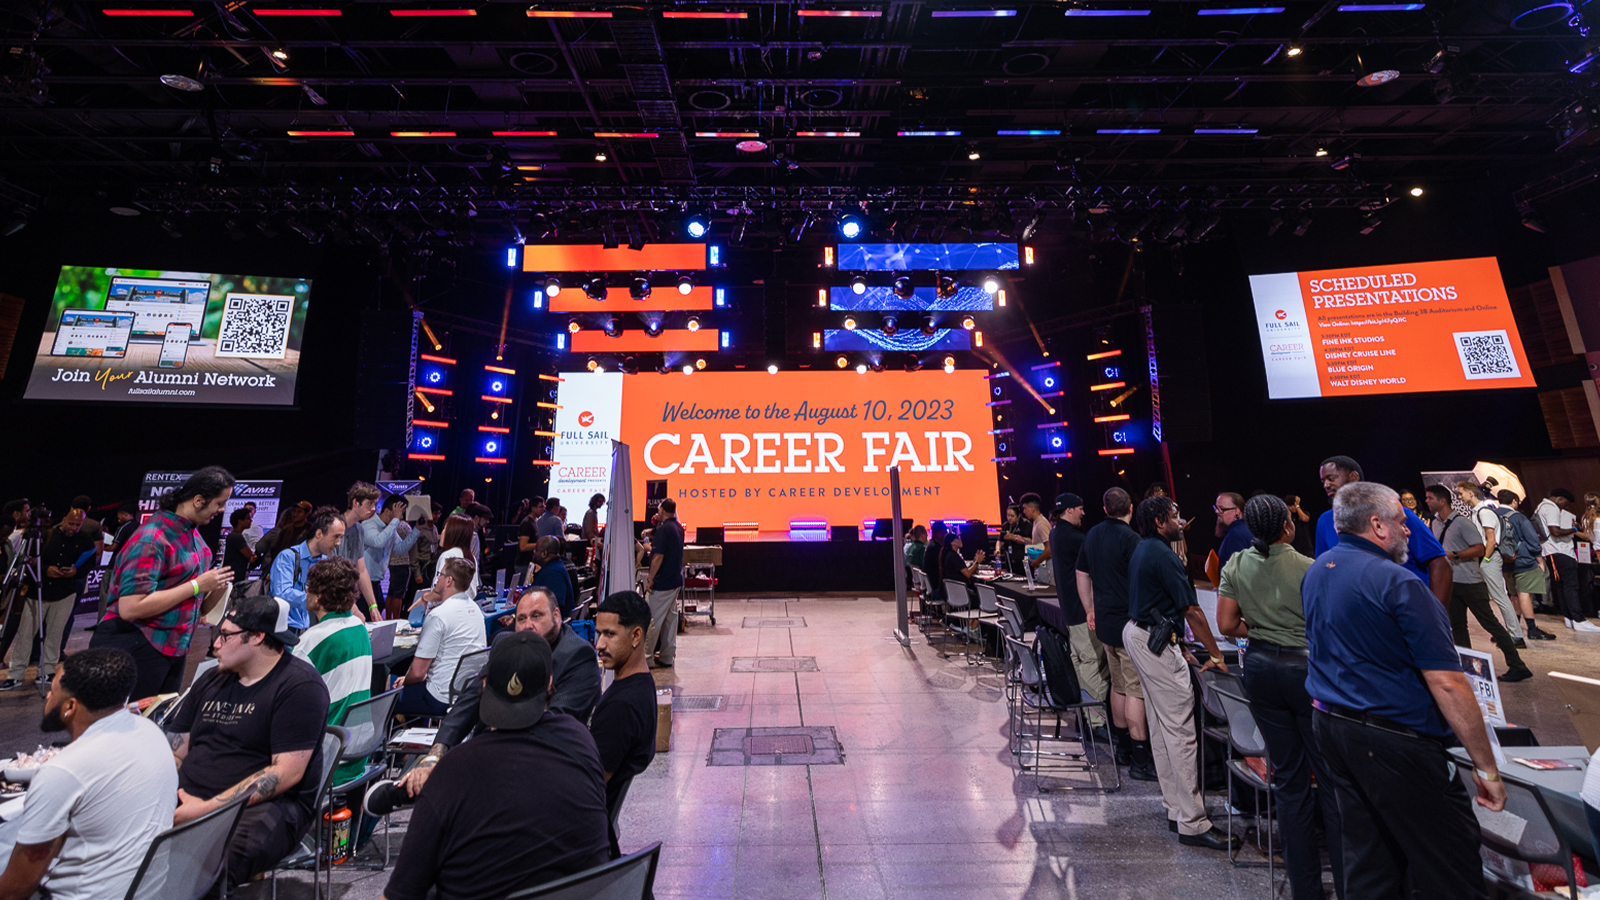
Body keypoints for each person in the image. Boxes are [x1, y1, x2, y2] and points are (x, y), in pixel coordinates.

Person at [1303, 481, 1504, 900]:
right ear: (1376, 525)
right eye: (1401, 521)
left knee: (1371, 861)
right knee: (1450, 865)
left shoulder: (1317, 570)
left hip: (1333, 727)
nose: (1409, 529)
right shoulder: (1399, 583)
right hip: (1392, 739)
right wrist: (1485, 766)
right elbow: (1448, 682)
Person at [377, 631, 610, 900]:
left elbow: (400, 894)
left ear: (484, 684)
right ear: (549, 685)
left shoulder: (454, 770)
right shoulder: (582, 739)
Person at [364, 585, 601, 815]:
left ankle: (429, 790)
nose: (528, 626)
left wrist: (475, 758)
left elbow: (553, 721)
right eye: (521, 618)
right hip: (491, 748)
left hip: (541, 760)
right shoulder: (505, 644)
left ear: (557, 615)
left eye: (537, 616)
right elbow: (470, 699)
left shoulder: (577, 656)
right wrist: (436, 753)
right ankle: (429, 786)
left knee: (450, 789)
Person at [1214, 496, 1342, 900]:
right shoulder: (1311, 567)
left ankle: (1305, 890)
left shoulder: (1236, 563)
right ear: (1288, 525)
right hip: (1307, 672)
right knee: (1332, 779)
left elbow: (1227, 624)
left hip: (1261, 670)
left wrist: (1264, 631)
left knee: (1289, 781)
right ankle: (1348, 881)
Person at [168, 596, 331, 886]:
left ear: (257, 637)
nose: (215, 643)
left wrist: (203, 810)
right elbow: (177, 750)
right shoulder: (211, 679)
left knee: (197, 871)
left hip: (269, 807)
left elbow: (285, 773)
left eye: (226, 635)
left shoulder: (300, 687)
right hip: (190, 796)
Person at [0, 648, 177, 900]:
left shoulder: (63, 770)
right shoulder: (151, 732)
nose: (48, 696)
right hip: (146, 891)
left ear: (69, 707)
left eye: (52, 690)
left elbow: (15, 890)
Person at [1122, 495, 1235, 850]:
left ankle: (1175, 808)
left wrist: (1178, 643)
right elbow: (1193, 611)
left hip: (1142, 633)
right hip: (1152, 640)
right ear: (1159, 522)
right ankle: (1193, 822)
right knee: (1181, 732)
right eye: (1174, 515)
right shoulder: (1164, 555)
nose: (1180, 519)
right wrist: (1215, 654)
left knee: (1161, 726)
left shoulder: (1143, 549)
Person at [90, 466, 235, 700]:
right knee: (129, 728)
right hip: (136, 643)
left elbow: (195, 607)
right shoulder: (152, 538)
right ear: (198, 500)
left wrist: (217, 588)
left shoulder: (194, 537)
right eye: (220, 503)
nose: (222, 510)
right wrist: (197, 585)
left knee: (156, 724)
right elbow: (130, 608)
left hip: (172, 647)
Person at [1076, 487, 1155, 781]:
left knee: (1118, 684)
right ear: (1131, 508)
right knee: (1134, 689)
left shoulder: (1092, 534)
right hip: (1129, 622)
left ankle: (1122, 749)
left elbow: (1080, 573)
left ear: (1105, 507)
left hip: (1106, 620)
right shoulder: (1132, 539)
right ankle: (1140, 759)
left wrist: (1089, 608)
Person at [1425, 486, 1532, 679]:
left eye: (1430, 498)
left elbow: (1480, 549)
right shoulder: (1435, 523)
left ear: (1442, 501)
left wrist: (1454, 554)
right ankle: (1466, 667)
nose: (1427, 501)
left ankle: (1518, 665)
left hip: (1470, 582)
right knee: (1457, 626)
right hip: (1452, 581)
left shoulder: (1462, 523)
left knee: (1489, 623)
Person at [1314, 456, 1451, 605]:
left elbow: (1440, 564)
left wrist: (1438, 616)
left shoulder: (1399, 515)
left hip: (1407, 612)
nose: (1326, 485)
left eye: (1331, 478)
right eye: (1323, 481)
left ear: (1353, 477)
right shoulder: (1325, 521)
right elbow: (1325, 568)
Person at [589, 590, 658, 858]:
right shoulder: (641, 684)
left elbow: (592, 784)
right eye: (598, 634)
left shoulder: (622, 707)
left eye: (609, 634)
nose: (599, 644)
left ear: (636, 636)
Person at [293, 556, 372, 783]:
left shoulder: (310, 642)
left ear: (318, 596)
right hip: (358, 753)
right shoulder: (359, 627)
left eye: (308, 588)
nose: (305, 592)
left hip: (328, 759)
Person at [2, 509, 92, 690]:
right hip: (36, 592)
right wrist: (46, 570)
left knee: (55, 634)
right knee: (26, 634)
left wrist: (76, 572)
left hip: (65, 592)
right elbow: (29, 560)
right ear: (64, 519)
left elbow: (89, 564)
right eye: (71, 523)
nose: (73, 528)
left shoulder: (85, 539)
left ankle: (46, 671)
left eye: (78, 525)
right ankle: (16, 674)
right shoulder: (45, 535)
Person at [395, 558, 487, 718]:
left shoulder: (438, 616)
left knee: (387, 689)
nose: (436, 579)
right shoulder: (475, 609)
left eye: (440, 575)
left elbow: (417, 674)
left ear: (449, 581)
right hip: (467, 694)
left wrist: (404, 681)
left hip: (439, 697)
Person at [1048, 493, 1109, 726]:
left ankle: (1083, 714)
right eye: (1080, 508)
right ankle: (1095, 722)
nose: (1084, 513)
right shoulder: (1075, 538)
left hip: (1070, 611)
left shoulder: (1055, 534)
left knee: (1080, 661)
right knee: (1093, 661)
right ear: (1070, 510)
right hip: (1083, 611)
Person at [1458, 481, 1529, 645]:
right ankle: (1507, 633)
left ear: (1471, 493)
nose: (1459, 497)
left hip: (1489, 557)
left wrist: (1486, 560)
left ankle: (1516, 636)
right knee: (1494, 598)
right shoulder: (1478, 512)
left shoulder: (1484, 512)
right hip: (1485, 558)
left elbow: (1491, 540)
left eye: (1461, 493)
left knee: (1500, 597)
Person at [270, 506, 346, 632]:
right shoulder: (288, 557)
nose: (338, 542)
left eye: (340, 538)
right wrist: (319, 600)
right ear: (319, 534)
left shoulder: (324, 562)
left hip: (306, 628)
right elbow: (282, 593)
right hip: (281, 628)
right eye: (335, 537)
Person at [1536, 487, 1598, 631]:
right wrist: (1575, 529)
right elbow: (1556, 532)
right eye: (1566, 503)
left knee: (1562, 586)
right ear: (1559, 499)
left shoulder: (1541, 507)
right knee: (1571, 586)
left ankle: (1569, 617)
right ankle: (1579, 619)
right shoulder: (1551, 508)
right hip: (1560, 552)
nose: (1566, 507)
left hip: (1553, 552)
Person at [1499, 489, 1555, 640]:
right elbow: (1532, 540)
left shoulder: (1494, 515)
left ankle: (1513, 629)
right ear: (1514, 501)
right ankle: (1532, 629)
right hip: (1523, 560)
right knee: (1524, 594)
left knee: (1513, 594)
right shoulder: (1518, 517)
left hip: (1504, 561)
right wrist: (1539, 559)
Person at [364, 494, 421, 621]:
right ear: (387, 511)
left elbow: (401, 548)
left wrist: (417, 529)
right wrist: (395, 520)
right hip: (363, 584)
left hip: (375, 583)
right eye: (399, 513)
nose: (401, 517)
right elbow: (378, 542)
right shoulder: (369, 525)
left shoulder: (389, 528)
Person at [336, 482, 386, 622]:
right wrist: (352, 607)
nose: (373, 508)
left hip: (347, 597)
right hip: (331, 598)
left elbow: (362, 570)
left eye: (375, 504)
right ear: (355, 503)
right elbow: (331, 575)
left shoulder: (359, 529)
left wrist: (373, 607)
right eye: (369, 503)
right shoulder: (335, 527)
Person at [643, 498, 684, 668]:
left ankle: (646, 658)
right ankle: (667, 656)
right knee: (670, 619)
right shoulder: (678, 528)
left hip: (662, 582)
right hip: (675, 580)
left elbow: (658, 556)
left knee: (653, 619)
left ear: (662, 511)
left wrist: (650, 579)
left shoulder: (664, 530)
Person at [425, 514, 481, 610]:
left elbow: (439, 591)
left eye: (445, 529)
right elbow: (474, 589)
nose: (442, 533)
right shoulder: (471, 558)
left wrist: (423, 598)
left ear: (453, 533)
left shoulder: (447, 556)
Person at [528, 536, 574, 618]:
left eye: (537, 549)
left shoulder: (554, 573)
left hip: (549, 626)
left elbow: (554, 607)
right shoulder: (554, 567)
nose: (533, 552)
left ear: (544, 554)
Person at [1020, 492, 1052, 585]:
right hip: (1041, 568)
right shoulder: (1036, 523)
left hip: (1046, 570)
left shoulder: (1041, 524)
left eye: (1025, 508)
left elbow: (1049, 548)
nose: (1024, 511)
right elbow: (1039, 545)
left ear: (1032, 509)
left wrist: (1037, 561)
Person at [1213, 492, 1251, 567]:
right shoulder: (1248, 527)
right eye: (1216, 508)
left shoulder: (1236, 535)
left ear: (1237, 511)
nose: (1216, 511)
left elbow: (1236, 572)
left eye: (1222, 509)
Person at [223, 507, 257, 585]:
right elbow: (250, 556)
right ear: (240, 521)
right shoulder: (237, 537)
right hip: (234, 577)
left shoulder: (234, 535)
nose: (251, 520)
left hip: (232, 575)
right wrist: (252, 557)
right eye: (248, 518)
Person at [514, 499, 544, 585]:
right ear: (533, 508)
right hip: (523, 565)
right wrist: (540, 544)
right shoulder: (527, 523)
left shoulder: (534, 522)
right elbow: (523, 546)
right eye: (541, 507)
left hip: (530, 564)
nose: (543, 509)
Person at [1000, 504, 1029, 575]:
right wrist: (997, 549)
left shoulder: (1026, 524)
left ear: (1019, 515)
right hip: (1009, 558)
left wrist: (1014, 537)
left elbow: (1031, 541)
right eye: (1008, 515)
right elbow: (1000, 540)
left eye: (1012, 516)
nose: (1009, 518)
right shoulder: (1005, 525)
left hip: (1022, 557)